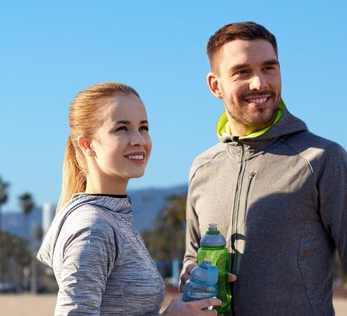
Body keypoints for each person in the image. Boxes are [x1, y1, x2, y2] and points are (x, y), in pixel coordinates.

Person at [180, 22, 347, 315]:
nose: (260, 84)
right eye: (242, 72)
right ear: (215, 85)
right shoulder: (203, 167)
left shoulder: (322, 159)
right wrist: (191, 274)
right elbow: (191, 256)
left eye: (269, 68)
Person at [37, 82, 220, 315]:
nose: (138, 139)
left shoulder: (114, 217)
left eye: (143, 128)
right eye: (121, 128)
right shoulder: (93, 227)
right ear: (87, 144)